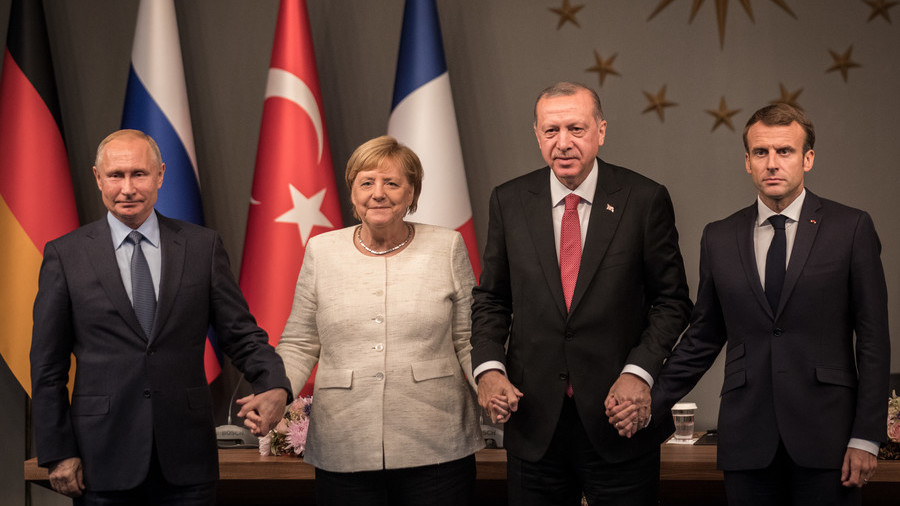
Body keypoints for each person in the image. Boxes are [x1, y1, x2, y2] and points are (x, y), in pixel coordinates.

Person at [615, 104, 890, 506]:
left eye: (785, 151)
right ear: (747, 161)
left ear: (807, 158)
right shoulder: (719, 237)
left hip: (829, 439)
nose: (772, 163)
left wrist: (867, 436)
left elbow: (873, 340)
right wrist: (648, 404)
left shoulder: (851, 228)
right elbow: (703, 338)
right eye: (761, 153)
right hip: (748, 442)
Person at [30, 129, 292, 505]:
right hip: (100, 459)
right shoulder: (65, 255)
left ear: (160, 176)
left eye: (138, 174)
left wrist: (274, 384)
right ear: (98, 178)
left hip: (187, 459)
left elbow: (241, 334)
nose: (127, 188)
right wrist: (58, 451)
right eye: (116, 175)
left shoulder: (202, 247)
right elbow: (47, 366)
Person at [470, 82, 692, 505]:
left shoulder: (644, 199)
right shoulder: (509, 200)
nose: (564, 143)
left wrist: (638, 372)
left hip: (619, 419)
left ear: (601, 131)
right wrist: (488, 368)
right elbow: (492, 299)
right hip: (533, 420)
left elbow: (672, 301)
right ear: (537, 135)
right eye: (551, 131)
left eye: (576, 128)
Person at [275, 135, 483, 505]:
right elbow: (300, 342)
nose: (378, 193)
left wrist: (489, 382)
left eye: (392, 183)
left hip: (437, 443)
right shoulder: (321, 251)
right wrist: (276, 392)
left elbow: (468, 338)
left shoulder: (447, 246)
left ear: (411, 193)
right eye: (366, 182)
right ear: (353, 193)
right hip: (345, 441)